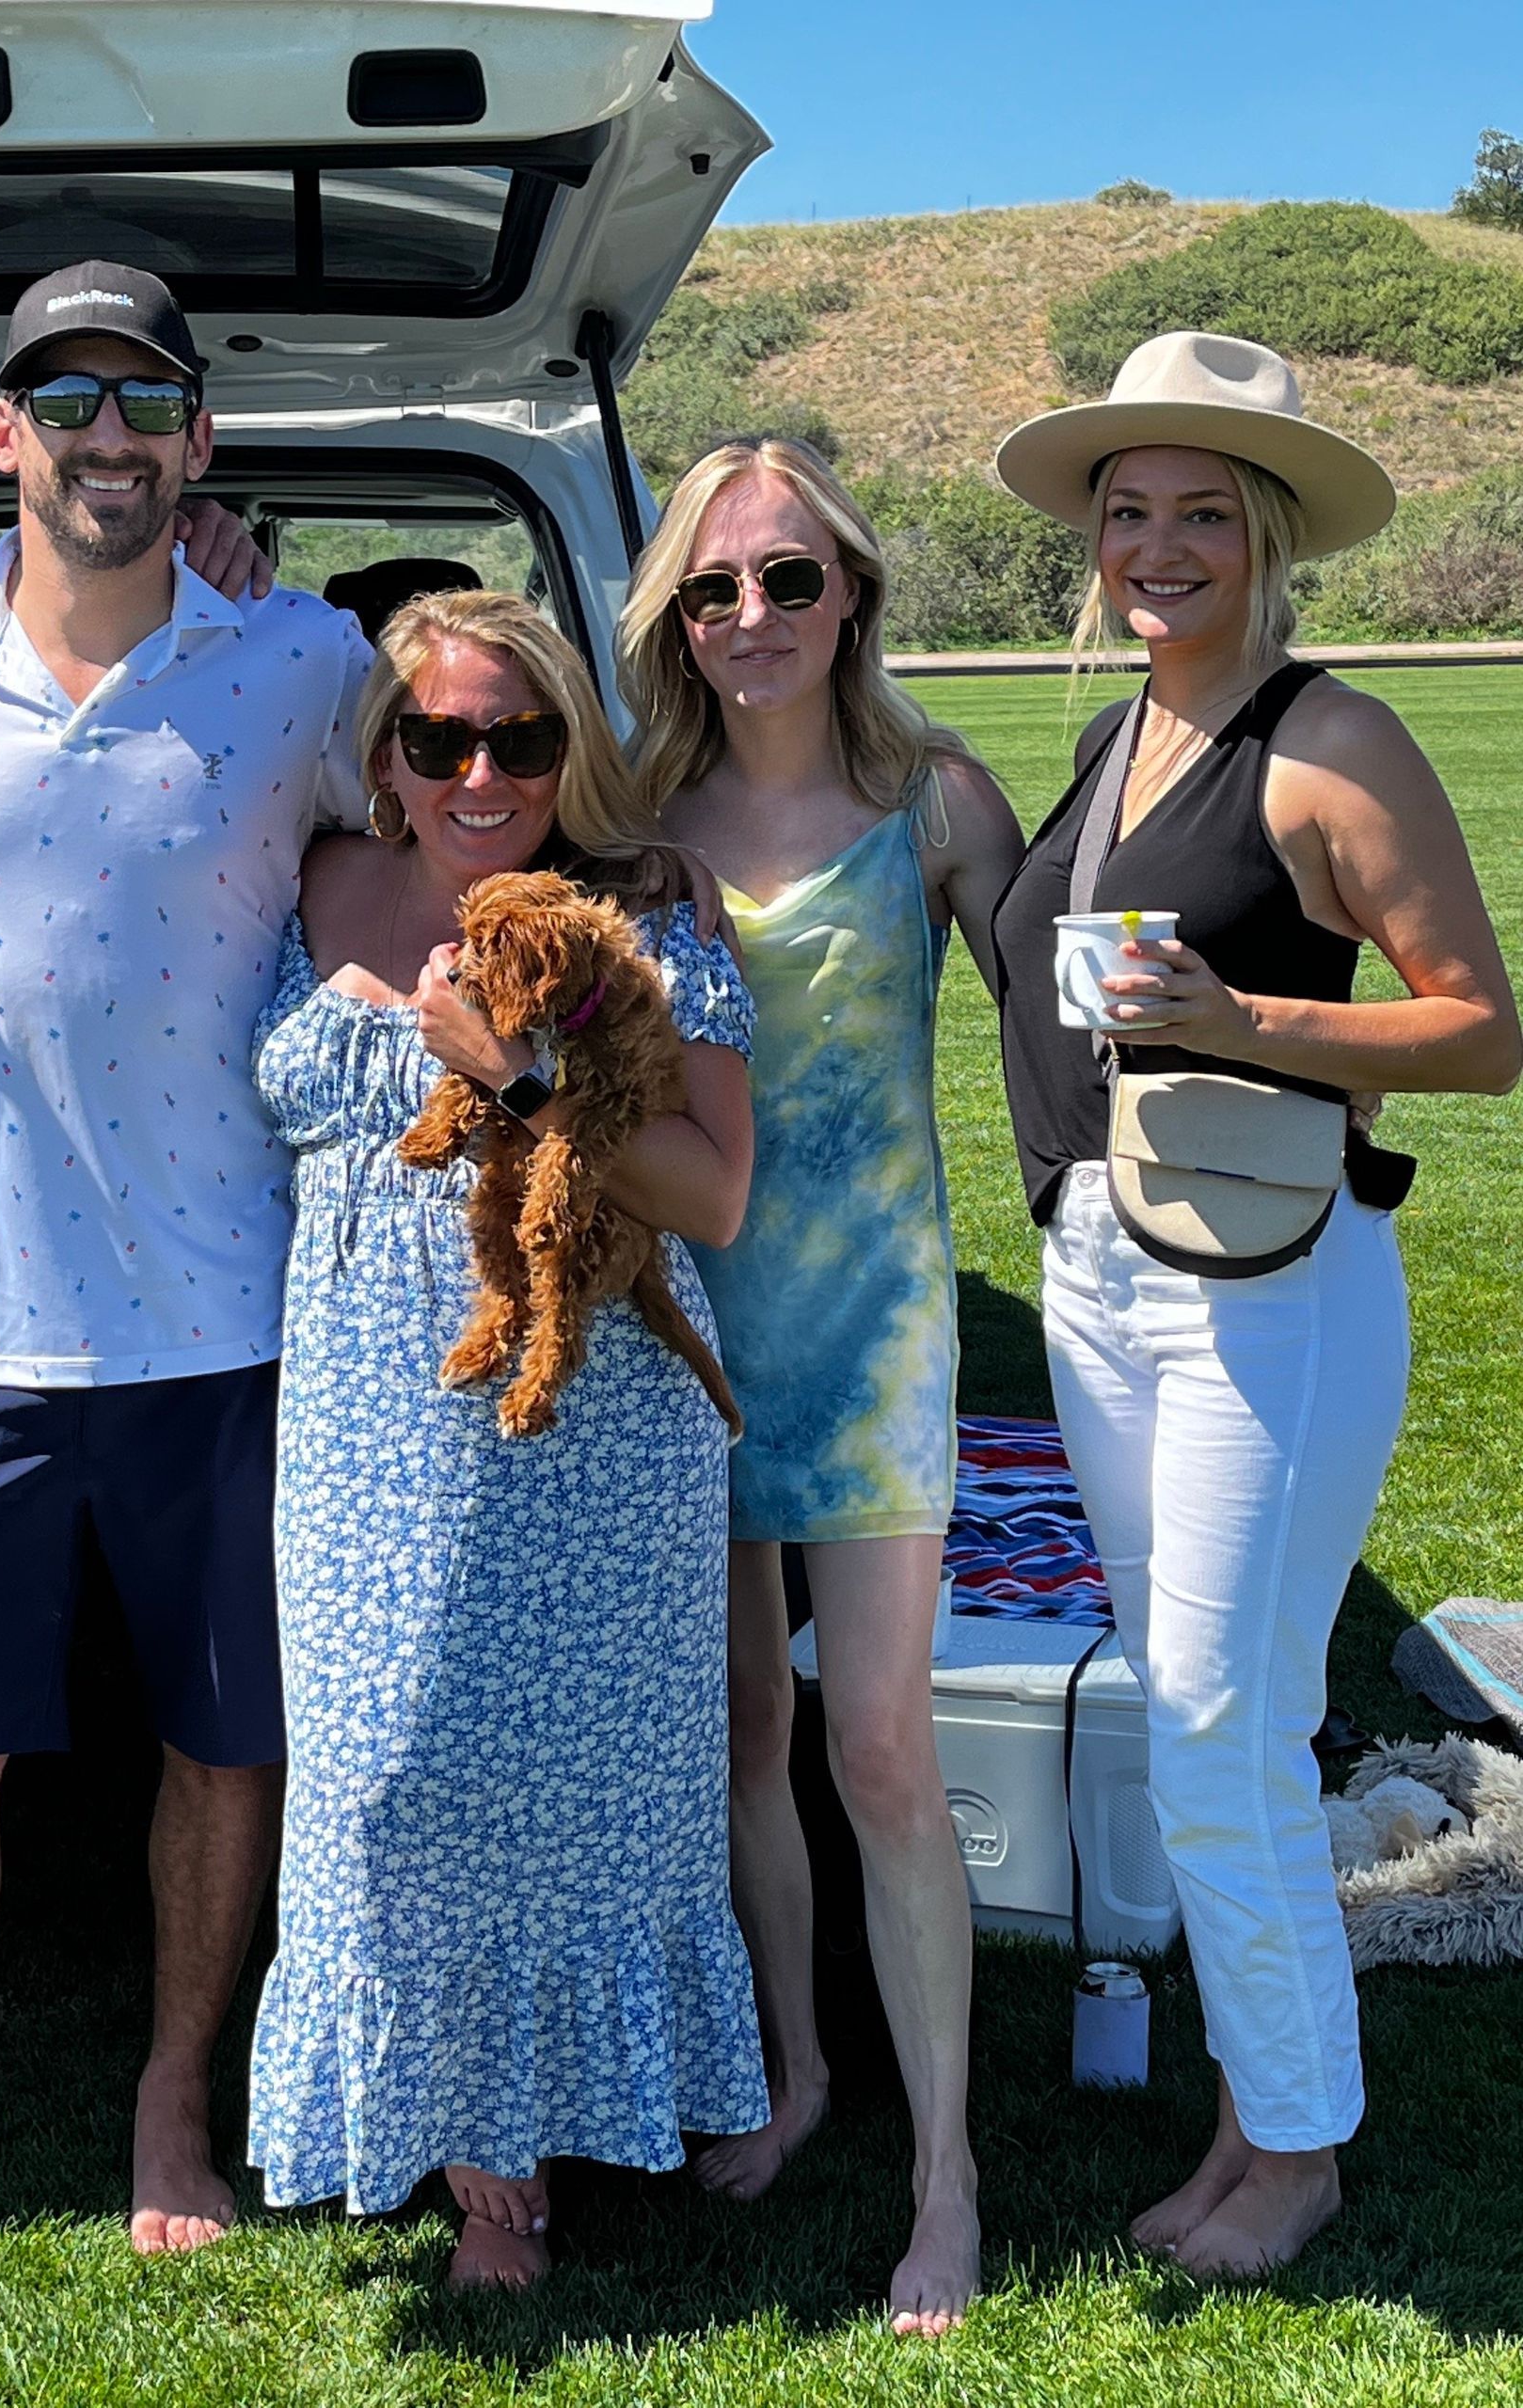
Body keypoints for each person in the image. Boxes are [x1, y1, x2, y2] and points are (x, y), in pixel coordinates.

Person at [0, 260, 372, 2337]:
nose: (108, 434)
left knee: (226, 1743)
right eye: (67, 398)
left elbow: (463, 811)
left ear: (200, 438)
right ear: (1, 434)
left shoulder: (302, 657)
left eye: (147, 399)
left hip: (239, 1317)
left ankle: (172, 2099)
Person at [990, 331, 1521, 2276]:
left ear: (1271, 534)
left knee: (1224, 1727)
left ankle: (1294, 2150)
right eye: (1129, 509)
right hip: (1105, 1272)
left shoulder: (1331, 741)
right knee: (1207, 1723)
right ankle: (1252, 2107)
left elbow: (1482, 1030)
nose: (1159, 544)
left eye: (1203, 511)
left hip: (1269, 1293)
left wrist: (1249, 1019)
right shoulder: (1121, 733)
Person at [246, 586, 769, 2291]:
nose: (483, 775)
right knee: (382, 1776)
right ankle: (444, 2116)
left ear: (570, 752)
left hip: (590, 1416)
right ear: (384, 756)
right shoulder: (309, 877)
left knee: (582, 1791)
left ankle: (512, 2163)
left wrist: (521, 1071)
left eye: (523, 739)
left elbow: (715, 1194)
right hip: (360, 1425)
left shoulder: (645, 917)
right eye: (442, 738)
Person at [615, 436, 1025, 2337]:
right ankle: (796, 2071)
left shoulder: (936, 802)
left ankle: (947, 2174)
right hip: (687, 1330)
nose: (752, 613)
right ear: (674, 620)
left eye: (788, 576)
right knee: (742, 1733)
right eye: (714, 587)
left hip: (873, 1332)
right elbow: (412, 788)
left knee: (876, 1745)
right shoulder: (634, 819)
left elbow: (1063, 1034)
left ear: (852, 589)